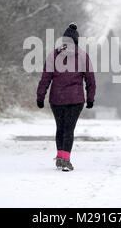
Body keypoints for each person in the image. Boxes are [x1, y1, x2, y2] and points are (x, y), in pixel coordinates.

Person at [36, 23, 96, 171]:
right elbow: (90, 79)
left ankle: (59, 157)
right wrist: (90, 98)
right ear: (76, 41)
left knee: (60, 128)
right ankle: (65, 160)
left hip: (57, 99)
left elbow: (45, 78)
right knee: (69, 128)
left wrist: (40, 96)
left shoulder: (53, 54)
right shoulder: (82, 55)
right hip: (75, 100)